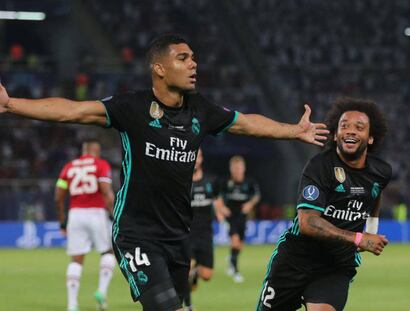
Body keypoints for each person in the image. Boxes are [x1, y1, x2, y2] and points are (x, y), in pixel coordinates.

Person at [0, 34, 328, 311]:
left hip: (177, 236)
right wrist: (12, 104)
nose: (193, 64)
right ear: (159, 68)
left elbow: (245, 123)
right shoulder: (132, 108)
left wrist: (293, 131)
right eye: (183, 58)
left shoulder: (201, 109)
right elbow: (74, 110)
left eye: (193, 58)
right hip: (136, 233)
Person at [256, 97, 392, 311]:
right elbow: (308, 223)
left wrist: (372, 229)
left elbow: (376, 193)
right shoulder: (319, 167)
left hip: (336, 265)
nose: (350, 131)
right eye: (344, 126)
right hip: (295, 260)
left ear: (371, 137)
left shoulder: (381, 171)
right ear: (336, 135)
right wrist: (358, 238)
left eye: (359, 127)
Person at [55, 139, 116, 311]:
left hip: (75, 215)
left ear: (83, 151)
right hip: (97, 213)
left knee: (76, 260)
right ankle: (102, 292)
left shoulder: (69, 167)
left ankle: (72, 304)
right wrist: (113, 214)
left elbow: (58, 196)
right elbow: (106, 192)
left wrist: (62, 221)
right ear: (97, 151)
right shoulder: (101, 165)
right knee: (108, 252)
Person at [183, 148, 225, 311]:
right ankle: (188, 306)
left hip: (206, 235)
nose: (196, 159)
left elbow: (217, 201)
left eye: (198, 155)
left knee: (207, 275)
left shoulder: (211, 181)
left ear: (201, 159)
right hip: (186, 234)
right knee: (187, 269)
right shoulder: (183, 181)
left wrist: (221, 214)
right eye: (194, 155)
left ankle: (194, 274)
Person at [221, 155, 260, 283]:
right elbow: (218, 196)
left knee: (239, 246)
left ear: (243, 168)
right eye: (235, 167)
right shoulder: (226, 182)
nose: (237, 170)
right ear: (231, 169)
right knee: (235, 241)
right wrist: (222, 208)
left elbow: (256, 196)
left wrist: (250, 204)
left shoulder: (249, 182)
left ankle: (231, 258)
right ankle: (236, 271)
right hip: (231, 216)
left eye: (239, 167)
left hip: (242, 217)